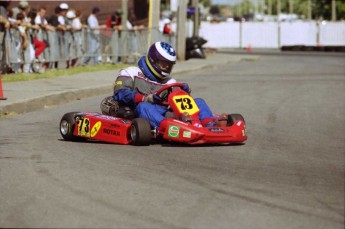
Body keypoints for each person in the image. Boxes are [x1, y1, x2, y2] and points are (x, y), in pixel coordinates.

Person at [101, 41, 226, 129]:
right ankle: (168, 128)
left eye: (169, 64)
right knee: (144, 107)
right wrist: (145, 98)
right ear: (153, 60)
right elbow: (120, 94)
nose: (167, 67)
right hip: (139, 113)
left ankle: (210, 125)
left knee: (199, 101)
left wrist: (185, 92)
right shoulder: (131, 72)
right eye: (164, 63)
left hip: (166, 112)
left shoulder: (170, 81)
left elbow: (181, 102)